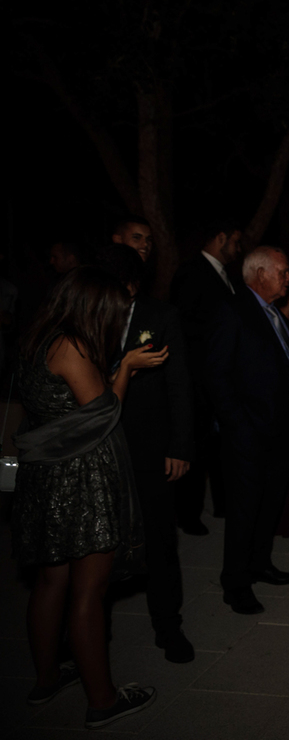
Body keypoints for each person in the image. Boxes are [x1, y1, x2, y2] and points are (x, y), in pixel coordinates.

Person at [12, 267, 166, 727]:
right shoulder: (73, 346)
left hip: (43, 477)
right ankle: (102, 701)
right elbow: (105, 413)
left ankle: (46, 679)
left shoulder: (37, 337)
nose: (119, 322)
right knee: (88, 591)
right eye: (116, 314)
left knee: (49, 582)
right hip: (81, 481)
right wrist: (126, 369)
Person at [97, 245, 196, 664]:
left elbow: (179, 385)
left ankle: (168, 626)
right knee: (96, 542)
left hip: (150, 445)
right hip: (98, 446)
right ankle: (89, 632)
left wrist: (180, 446)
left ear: (135, 286)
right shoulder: (88, 314)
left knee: (158, 537)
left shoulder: (161, 316)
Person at [207, 246, 289, 615]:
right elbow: (217, 375)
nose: (288, 278)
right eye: (282, 272)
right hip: (249, 431)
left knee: (269, 504)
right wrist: (239, 427)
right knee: (244, 510)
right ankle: (235, 583)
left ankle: (260, 563)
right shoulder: (233, 310)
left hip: (281, 425)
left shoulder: (271, 312)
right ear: (260, 273)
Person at [170, 219, 242, 535]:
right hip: (199, 375)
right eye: (236, 242)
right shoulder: (191, 272)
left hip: (222, 375)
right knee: (196, 445)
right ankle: (188, 514)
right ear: (221, 238)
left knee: (219, 442)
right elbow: (185, 327)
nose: (238, 249)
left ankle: (224, 502)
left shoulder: (229, 276)